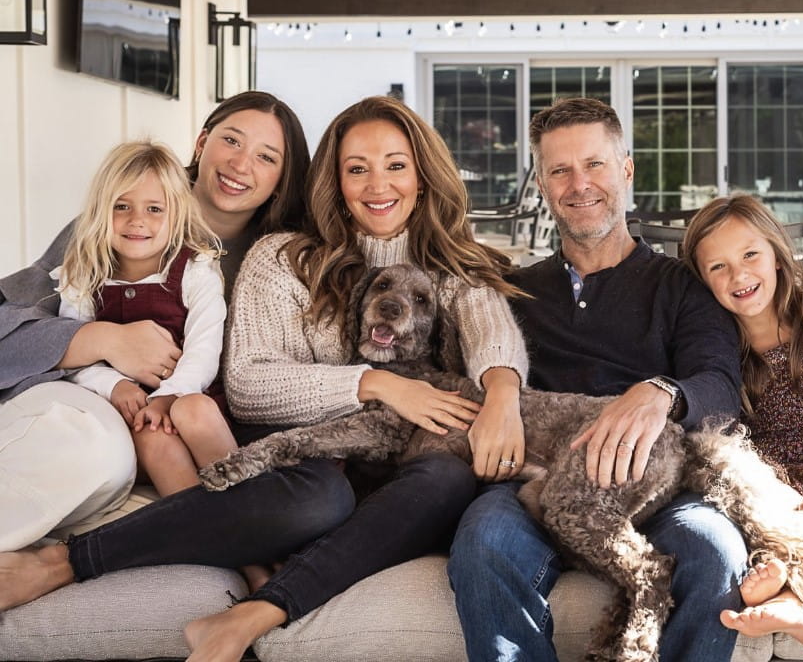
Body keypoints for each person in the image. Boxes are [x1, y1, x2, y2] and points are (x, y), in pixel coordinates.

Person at [1, 95, 531, 662]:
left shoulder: (451, 264)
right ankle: (65, 561)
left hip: (395, 465)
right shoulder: (265, 252)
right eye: (357, 168)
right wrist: (100, 340)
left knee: (446, 479)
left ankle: (256, 611)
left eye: (396, 165)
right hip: (302, 458)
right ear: (334, 181)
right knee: (319, 498)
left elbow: (488, 322)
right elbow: (249, 386)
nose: (377, 184)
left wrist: (503, 393)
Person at [447, 98, 749, 662]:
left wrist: (661, 392)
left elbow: (720, 387)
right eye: (560, 170)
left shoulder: (681, 286)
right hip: (537, 484)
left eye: (595, 164)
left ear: (626, 170)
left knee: (715, 551)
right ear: (542, 184)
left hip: (656, 484)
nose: (579, 184)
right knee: (483, 542)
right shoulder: (515, 293)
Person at [0, 91, 311, 552]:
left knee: (312, 499)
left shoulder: (282, 259)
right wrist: (103, 339)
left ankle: (237, 541)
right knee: (95, 446)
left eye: (266, 156)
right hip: (121, 413)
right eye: (231, 140)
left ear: (283, 178)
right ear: (202, 143)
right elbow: (11, 326)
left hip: (209, 417)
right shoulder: (114, 226)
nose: (241, 164)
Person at [681, 194, 803, 644]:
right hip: (757, 479)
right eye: (718, 267)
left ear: (778, 255)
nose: (739, 275)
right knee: (754, 509)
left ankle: (798, 601)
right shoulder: (711, 347)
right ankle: (794, 600)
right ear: (701, 281)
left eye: (750, 255)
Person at [54, 141, 235, 497]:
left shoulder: (196, 270)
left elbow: (204, 348)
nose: (137, 220)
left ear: (176, 215)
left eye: (154, 209)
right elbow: (73, 355)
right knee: (152, 437)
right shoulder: (83, 276)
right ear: (101, 209)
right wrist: (114, 385)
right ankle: (205, 526)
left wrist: (170, 395)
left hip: (190, 392)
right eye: (122, 206)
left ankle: (252, 509)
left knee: (194, 410)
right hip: (133, 416)